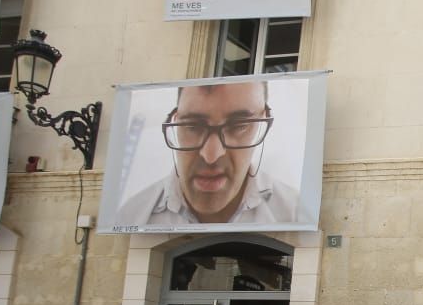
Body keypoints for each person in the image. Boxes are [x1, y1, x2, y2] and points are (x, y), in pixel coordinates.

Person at [115, 81, 300, 227]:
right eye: (193, 127)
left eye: (238, 126)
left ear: (264, 120)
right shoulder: (131, 215)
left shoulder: (294, 211)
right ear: (175, 121)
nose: (211, 156)